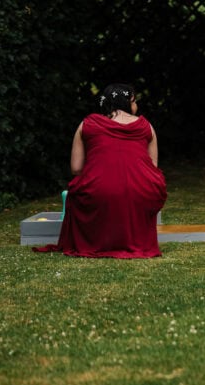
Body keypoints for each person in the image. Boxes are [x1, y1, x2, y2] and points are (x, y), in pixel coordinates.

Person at [36, 83, 167, 258]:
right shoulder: (146, 126)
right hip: (139, 193)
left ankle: (95, 240)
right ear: (129, 101)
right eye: (135, 101)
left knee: (78, 190)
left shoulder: (87, 124)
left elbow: (76, 168)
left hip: (98, 192)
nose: (137, 106)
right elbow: (153, 168)